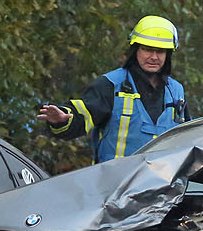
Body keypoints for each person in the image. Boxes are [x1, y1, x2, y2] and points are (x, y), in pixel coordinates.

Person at [37, 15, 190, 163]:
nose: (154, 57)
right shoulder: (111, 84)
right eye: (147, 49)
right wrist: (61, 120)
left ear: (168, 54)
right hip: (114, 186)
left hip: (162, 187)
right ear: (135, 50)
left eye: (161, 51)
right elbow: (81, 115)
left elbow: (188, 139)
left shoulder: (176, 91)